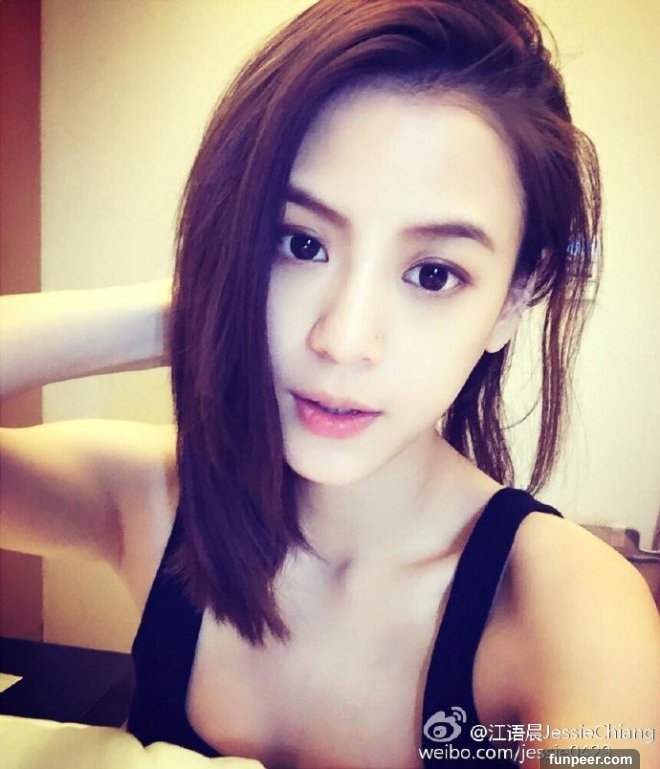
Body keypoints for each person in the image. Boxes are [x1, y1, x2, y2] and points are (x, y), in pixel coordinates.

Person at [1, 1, 658, 767]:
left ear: (513, 299)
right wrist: (200, 305)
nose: (342, 340)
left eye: (433, 273)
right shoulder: (157, 496)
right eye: (300, 242)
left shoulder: (576, 613)